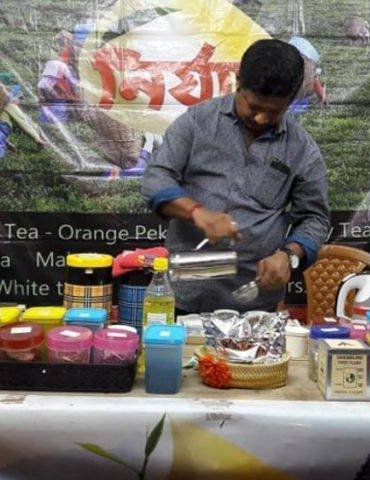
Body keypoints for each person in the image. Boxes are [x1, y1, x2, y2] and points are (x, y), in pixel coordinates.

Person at [140, 39, 330, 313]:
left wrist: (289, 256)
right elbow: (155, 178)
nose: (262, 118)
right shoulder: (198, 121)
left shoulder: (302, 149)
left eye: (274, 111)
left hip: (255, 299)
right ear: (238, 81)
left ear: (291, 102)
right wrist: (198, 213)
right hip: (187, 293)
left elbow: (315, 218)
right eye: (253, 106)